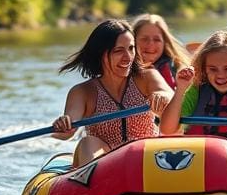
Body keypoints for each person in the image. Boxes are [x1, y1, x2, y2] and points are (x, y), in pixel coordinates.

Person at [52, 19, 172, 166]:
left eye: (131, 48)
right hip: (105, 163)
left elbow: (167, 94)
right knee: (87, 142)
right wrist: (63, 126)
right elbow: (69, 128)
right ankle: (93, 182)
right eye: (118, 51)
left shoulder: (146, 77)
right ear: (100, 54)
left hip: (145, 157)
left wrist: (162, 96)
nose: (128, 57)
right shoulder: (83, 92)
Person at [132, 13, 191, 89]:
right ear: (133, 40)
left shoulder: (179, 70)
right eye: (144, 39)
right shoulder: (122, 69)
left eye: (157, 40)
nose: (151, 44)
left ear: (165, 42)